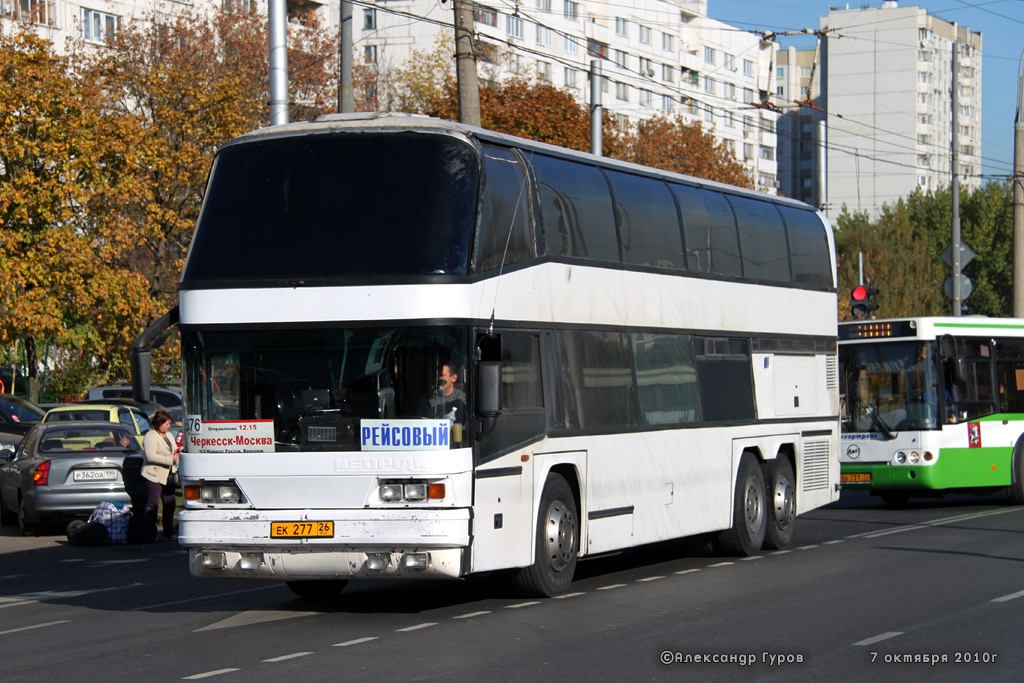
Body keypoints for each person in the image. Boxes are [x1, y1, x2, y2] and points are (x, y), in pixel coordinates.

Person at [142, 409, 179, 541]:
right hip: (153, 475)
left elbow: (174, 449)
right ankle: (149, 532)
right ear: (159, 423)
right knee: (153, 504)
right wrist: (170, 459)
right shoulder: (150, 436)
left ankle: (169, 531)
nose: (169, 426)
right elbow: (150, 456)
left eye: (169, 424)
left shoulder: (169, 435)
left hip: (168, 475)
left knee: (170, 503)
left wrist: (177, 456)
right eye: (167, 424)